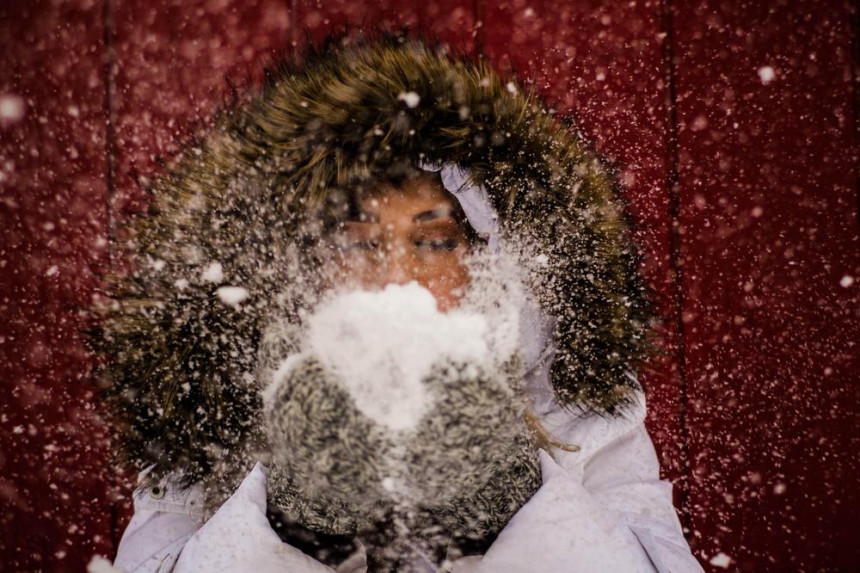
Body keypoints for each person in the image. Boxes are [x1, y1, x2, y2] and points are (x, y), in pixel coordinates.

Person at [99, 31, 704, 572]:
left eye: (434, 241)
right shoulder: (210, 412)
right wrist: (285, 525)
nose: (396, 277)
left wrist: (516, 503)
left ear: (489, 261)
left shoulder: (571, 407)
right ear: (305, 266)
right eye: (358, 243)